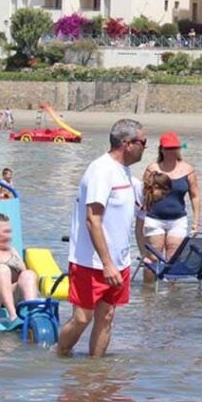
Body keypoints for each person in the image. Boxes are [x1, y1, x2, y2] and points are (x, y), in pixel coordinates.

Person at [57, 119, 146, 357]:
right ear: (127, 144)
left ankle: (96, 372)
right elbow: (92, 219)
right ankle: (60, 353)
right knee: (82, 318)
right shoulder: (101, 170)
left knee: (107, 316)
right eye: (143, 142)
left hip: (119, 261)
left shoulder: (125, 172)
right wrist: (106, 263)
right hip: (91, 262)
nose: (145, 147)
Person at [136, 132, 200, 281]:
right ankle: (149, 295)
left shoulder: (188, 169)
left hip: (178, 219)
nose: (171, 152)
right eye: (168, 148)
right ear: (161, 149)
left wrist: (196, 221)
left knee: (173, 259)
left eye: (174, 148)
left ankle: (171, 298)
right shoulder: (152, 168)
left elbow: (195, 196)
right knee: (152, 258)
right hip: (154, 218)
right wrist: (140, 218)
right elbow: (143, 194)